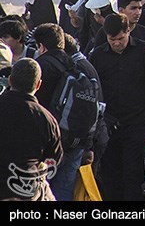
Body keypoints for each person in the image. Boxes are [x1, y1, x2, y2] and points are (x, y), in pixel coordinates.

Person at [89, 14, 145, 201]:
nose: (117, 43)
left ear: (128, 31)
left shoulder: (143, 50)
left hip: (136, 122)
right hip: (108, 124)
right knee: (110, 173)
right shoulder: (97, 56)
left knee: (133, 172)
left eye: (120, 38)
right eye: (112, 40)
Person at [32, 24, 90, 201]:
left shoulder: (41, 66)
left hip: (48, 140)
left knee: (40, 190)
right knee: (65, 189)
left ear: (41, 46)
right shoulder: (76, 64)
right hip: (74, 138)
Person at [0, 58, 62, 201]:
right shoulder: (47, 120)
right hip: (25, 190)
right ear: (38, 85)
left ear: (10, 80)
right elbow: (53, 160)